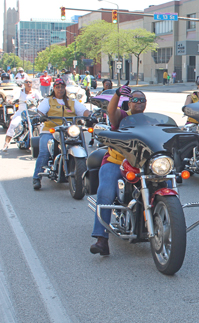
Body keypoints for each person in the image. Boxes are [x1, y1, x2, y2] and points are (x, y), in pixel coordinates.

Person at [90, 83, 147, 256]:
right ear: (129, 103)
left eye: (142, 100)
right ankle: (101, 239)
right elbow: (111, 112)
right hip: (117, 161)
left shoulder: (151, 120)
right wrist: (116, 94)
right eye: (135, 100)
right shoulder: (122, 116)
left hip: (142, 164)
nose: (138, 103)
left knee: (166, 181)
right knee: (106, 191)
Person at [32, 79, 91, 189]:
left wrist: (91, 115)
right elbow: (40, 112)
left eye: (62, 87)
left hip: (69, 130)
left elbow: (83, 111)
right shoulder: (48, 101)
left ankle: (83, 174)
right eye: (57, 87)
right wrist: (39, 116)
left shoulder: (71, 101)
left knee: (81, 143)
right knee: (44, 151)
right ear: (53, 88)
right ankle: (36, 177)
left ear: (65, 88)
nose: (60, 89)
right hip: (51, 129)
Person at [2, 78, 43, 151]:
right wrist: (12, 100)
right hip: (21, 112)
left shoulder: (35, 92)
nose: (28, 83)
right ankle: (6, 143)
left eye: (30, 82)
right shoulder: (20, 92)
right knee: (13, 124)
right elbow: (16, 97)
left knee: (42, 124)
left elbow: (41, 98)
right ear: (24, 84)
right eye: (26, 82)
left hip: (33, 112)